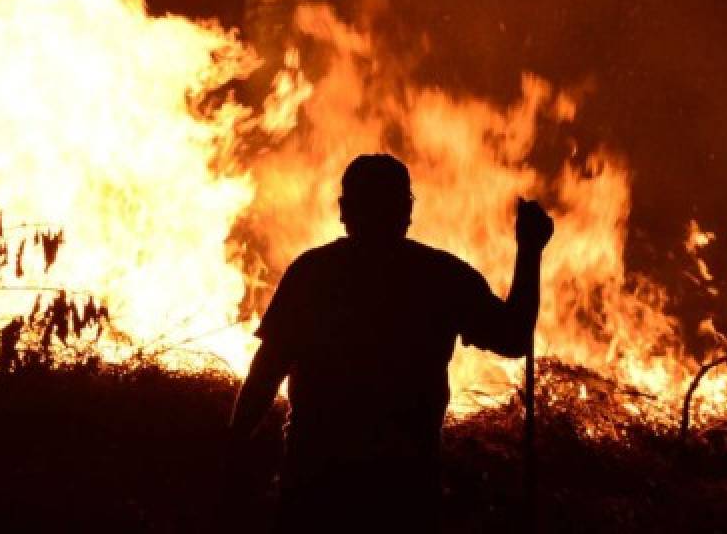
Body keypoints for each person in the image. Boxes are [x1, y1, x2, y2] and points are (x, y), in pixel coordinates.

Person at [228, 153, 554, 533]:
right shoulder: (439, 278)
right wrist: (529, 253)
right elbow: (513, 336)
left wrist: (233, 448)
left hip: (318, 488)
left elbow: (266, 372)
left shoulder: (313, 273)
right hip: (403, 490)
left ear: (345, 210)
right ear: (407, 211)